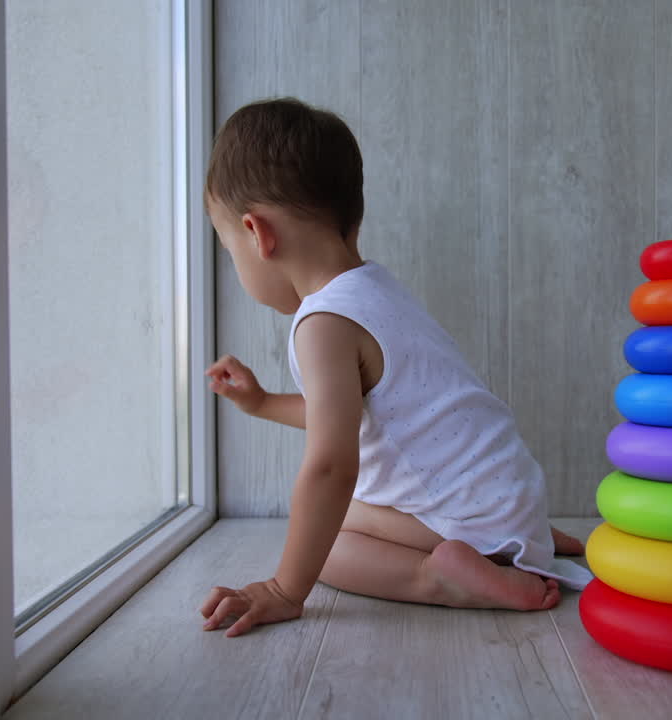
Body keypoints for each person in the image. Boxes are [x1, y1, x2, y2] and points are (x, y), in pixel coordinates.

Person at [198, 98, 592, 638]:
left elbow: (333, 466)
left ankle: (441, 575)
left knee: (327, 543)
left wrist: (287, 588)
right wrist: (262, 402)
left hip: (473, 521)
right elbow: (356, 414)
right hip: (509, 493)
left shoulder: (323, 322)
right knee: (343, 513)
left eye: (228, 249)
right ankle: (522, 538)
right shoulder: (376, 290)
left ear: (257, 234)